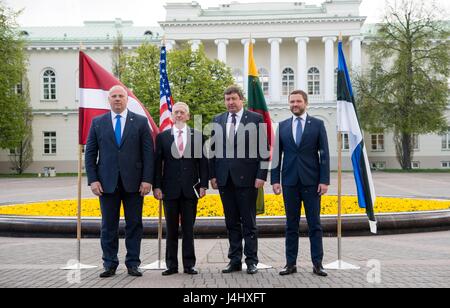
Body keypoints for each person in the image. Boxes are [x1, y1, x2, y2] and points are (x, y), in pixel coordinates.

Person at [85, 85, 154, 278]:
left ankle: (133, 263)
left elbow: (148, 153)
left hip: (134, 184)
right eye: (114, 96)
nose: (117, 99)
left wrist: (147, 179)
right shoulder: (97, 122)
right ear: (109, 100)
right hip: (106, 184)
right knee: (108, 226)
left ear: (126, 99)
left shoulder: (140, 122)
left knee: (134, 225)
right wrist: (93, 180)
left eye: (120, 96)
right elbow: (90, 154)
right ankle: (109, 263)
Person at [209, 85, 268, 275]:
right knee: (231, 222)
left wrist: (261, 176)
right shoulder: (217, 120)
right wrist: (212, 175)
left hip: (248, 180)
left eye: (234, 98)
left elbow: (264, 151)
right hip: (225, 179)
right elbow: (212, 151)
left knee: (249, 222)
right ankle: (234, 260)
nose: (230, 102)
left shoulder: (255, 119)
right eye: (227, 99)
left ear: (241, 99)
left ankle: (251, 261)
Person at [271, 90, 330, 277]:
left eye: (298, 101)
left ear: (306, 103)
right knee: (291, 225)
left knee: (315, 225)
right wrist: (275, 180)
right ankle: (290, 264)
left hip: (312, 183)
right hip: (289, 182)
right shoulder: (282, 126)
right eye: (291, 102)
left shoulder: (318, 125)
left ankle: (318, 264)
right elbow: (276, 156)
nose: (294, 104)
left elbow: (325, 154)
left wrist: (324, 180)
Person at [153, 102, 209, 276]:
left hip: (190, 189)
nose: (179, 115)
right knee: (170, 229)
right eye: (176, 112)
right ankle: (171, 265)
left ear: (188, 116)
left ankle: (189, 264)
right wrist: (157, 186)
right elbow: (157, 164)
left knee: (188, 229)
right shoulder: (162, 137)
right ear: (172, 116)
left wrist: (203, 184)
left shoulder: (198, 136)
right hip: (169, 190)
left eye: (182, 112)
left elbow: (203, 163)